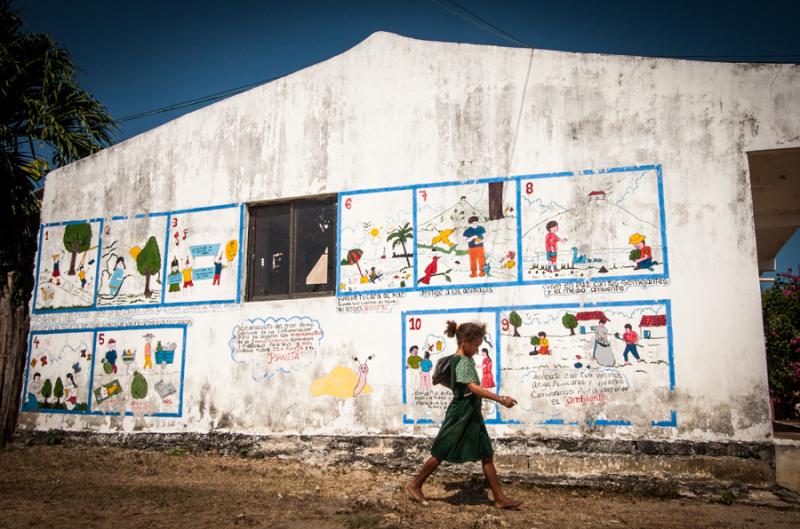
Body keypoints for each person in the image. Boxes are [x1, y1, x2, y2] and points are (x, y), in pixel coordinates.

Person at [406, 321, 521, 509]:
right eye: (476, 345)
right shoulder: (461, 361)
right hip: (460, 412)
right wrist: (500, 399)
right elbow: (472, 387)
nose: (477, 349)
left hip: (471, 412)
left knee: (486, 453)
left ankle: (499, 498)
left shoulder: (461, 360)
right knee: (441, 450)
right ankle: (415, 484)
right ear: (465, 341)